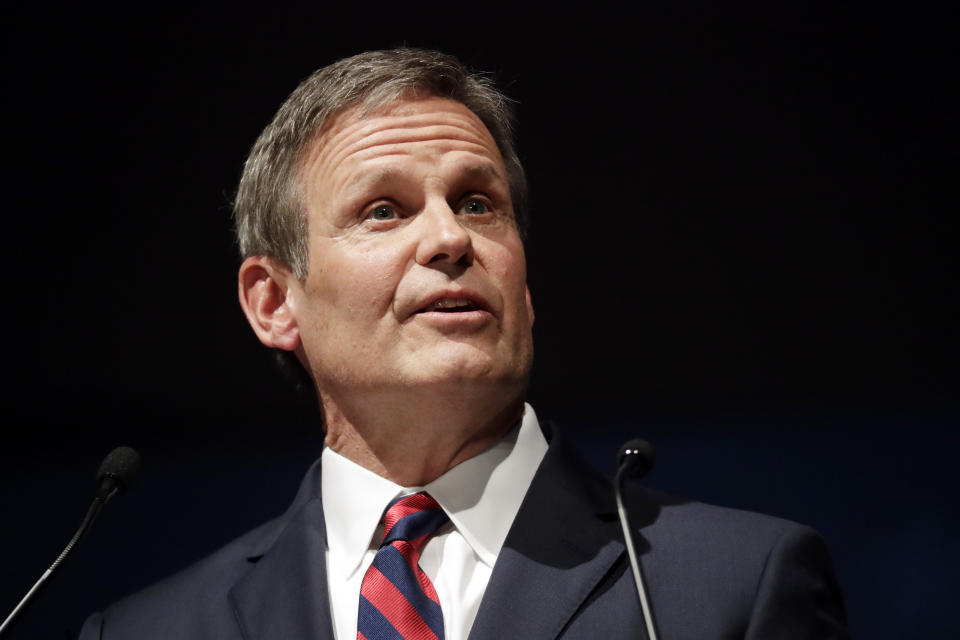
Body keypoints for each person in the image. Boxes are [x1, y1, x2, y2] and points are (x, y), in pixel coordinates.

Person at [79, 48, 849, 639]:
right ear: (275, 301)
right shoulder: (151, 630)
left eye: (479, 203)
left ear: (524, 285)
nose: (451, 238)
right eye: (384, 210)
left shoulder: (732, 587)